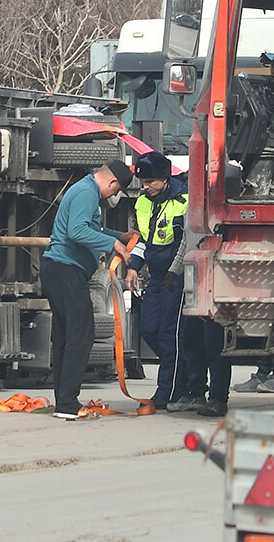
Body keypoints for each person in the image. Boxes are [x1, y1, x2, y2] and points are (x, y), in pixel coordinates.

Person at [41, 160, 134, 420]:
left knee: (67, 335)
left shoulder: (85, 191)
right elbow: (77, 230)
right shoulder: (86, 193)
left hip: (60, 270)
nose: (113, 196)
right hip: (65, 269)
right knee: (81, 333)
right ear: (112, 183)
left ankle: (64, 400)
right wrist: (115, 244)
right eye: (115, 192)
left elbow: (94, 229)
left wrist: (119, 235)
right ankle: (67, 403)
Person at [124, 151, 189, 411]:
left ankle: (168, 391)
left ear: (165, 178)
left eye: (150, 182)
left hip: (178, 274)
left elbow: (186, 241)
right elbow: (143, 239)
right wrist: (133, 268)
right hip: (156, 274)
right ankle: (181, 369)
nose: (145, 186)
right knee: (148, 330)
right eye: (142, 182)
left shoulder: (183, 200)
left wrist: (176, 270)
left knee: (168, 334)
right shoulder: (143, 202)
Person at [169, 316, 232, 416]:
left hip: (217, 304)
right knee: (192, 338)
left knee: (214, 342)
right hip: (198, 303)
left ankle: (218, 398)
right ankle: (195, 392)